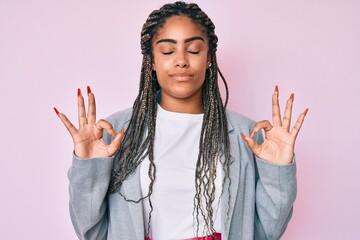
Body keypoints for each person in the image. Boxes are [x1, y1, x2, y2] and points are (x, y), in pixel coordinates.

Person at [54, 2, 308, 240]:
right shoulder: (115, 132)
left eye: (194, 49)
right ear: (152, 61)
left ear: (208, 58)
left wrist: (278, 171)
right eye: (167, 50)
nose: (181, 60)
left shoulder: (246, 135)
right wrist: (88, 169)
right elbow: (91, 233)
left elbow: (266, 232)